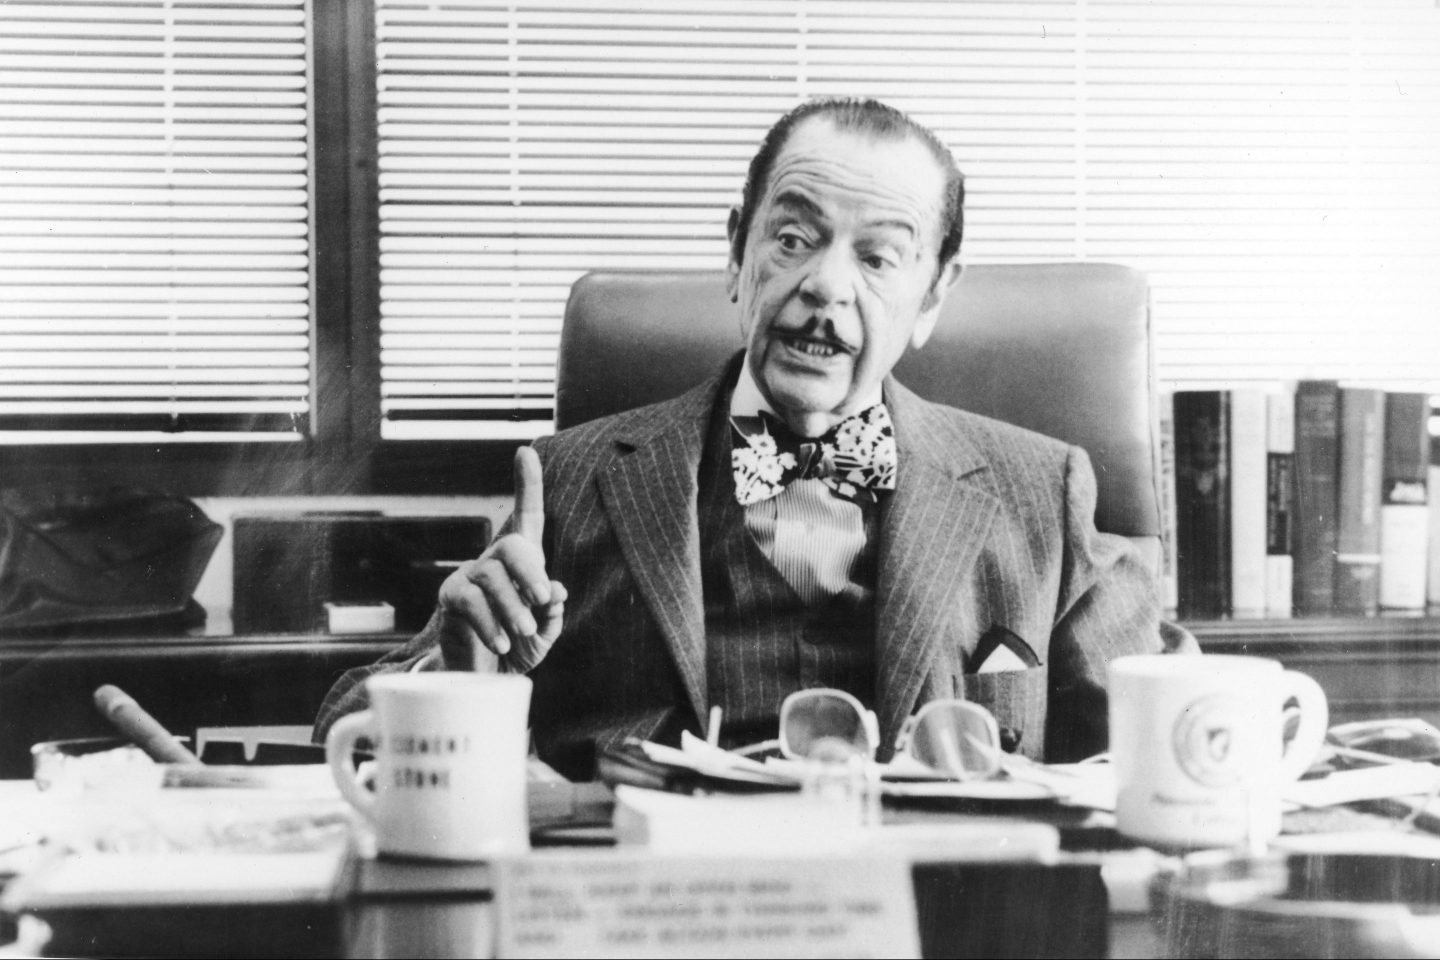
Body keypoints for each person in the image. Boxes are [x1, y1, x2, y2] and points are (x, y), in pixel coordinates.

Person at [316, 97, 1187, 781]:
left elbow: (1173, 729)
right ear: (738, 253)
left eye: (879, 257)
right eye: (794, 238)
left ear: (932, 297)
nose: (826, 288)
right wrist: (464, 683)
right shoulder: (571, 480)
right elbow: (346, 738)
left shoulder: (1040, 488)